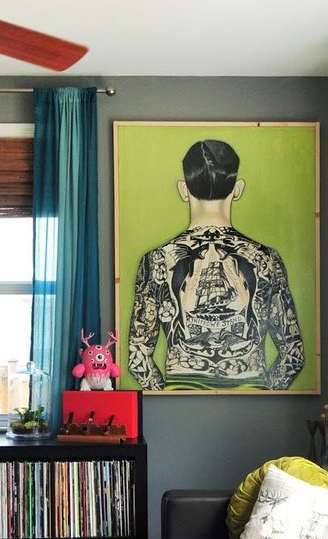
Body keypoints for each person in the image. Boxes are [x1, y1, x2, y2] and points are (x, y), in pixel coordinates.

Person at [127, 139, 305, 390]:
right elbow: (293, 354)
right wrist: (261, 394)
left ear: (182, 189)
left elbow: (138, 356)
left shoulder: (157, 259)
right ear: (238, 188)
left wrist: (169, 394)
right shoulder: (265, 258)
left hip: (180, 395)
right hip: (250, 398)